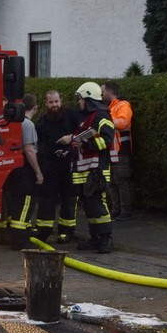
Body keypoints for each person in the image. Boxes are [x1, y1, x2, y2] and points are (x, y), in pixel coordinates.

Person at [58, 82, 115, 253]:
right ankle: (95, 239)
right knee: (90, 207)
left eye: (81, 99)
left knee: (98, 206)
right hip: (84, 171)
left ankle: (106, 240)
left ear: (88, 98)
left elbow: (107, 139)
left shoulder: (101, 116)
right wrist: (68, 150)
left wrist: (86, 143)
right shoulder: (86, 119)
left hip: (96, 171)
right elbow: (80, 143)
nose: (79, 102)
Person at [34, 89, 82, 243]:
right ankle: (43, 229)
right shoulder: (42, 122)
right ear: (46, 104)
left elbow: (84, 131)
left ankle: (66, 231)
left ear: (61, 101)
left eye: (56, 101)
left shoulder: (72, 116)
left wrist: (72, 138)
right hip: (50, 164)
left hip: (69, 163)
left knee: (69, 197)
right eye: (51, 102)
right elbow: (38, 143)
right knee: (46, 197)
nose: (54, 105)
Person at [3, 93, 44, 250]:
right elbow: (29, 150)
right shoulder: (28, 125)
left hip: (14, 169)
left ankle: (15, 235)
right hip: (26, 171)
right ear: (35, 107)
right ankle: (20, 240)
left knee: (15, 204)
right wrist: (38, 172)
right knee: (26, 203)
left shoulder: (13, 122)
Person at [101, 81, 133, 221]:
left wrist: (104, 122)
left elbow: (123, 123)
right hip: (111, 150)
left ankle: (125, 211)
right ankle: (116, 209)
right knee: (112, 181)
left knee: (120, 180)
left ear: (109, 91)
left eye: (102, 91)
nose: (100, 94)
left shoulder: (123, 105)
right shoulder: (108, 107)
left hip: (121, 149)